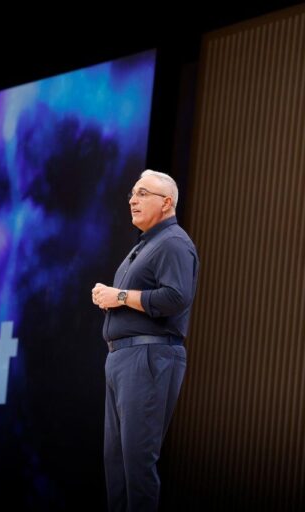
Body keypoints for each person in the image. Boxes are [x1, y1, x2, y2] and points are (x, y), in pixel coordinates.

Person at [91, 170, 199, 511]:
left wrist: (120, 296)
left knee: (137, 466)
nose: (132, 200)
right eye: (131, 194)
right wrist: (111, 300)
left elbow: (175, 297)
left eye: (142, 193)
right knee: (117, 469)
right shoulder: (145, 245)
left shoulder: (173, 242)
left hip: (148, 356)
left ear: (166, 203)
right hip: (122, 359)